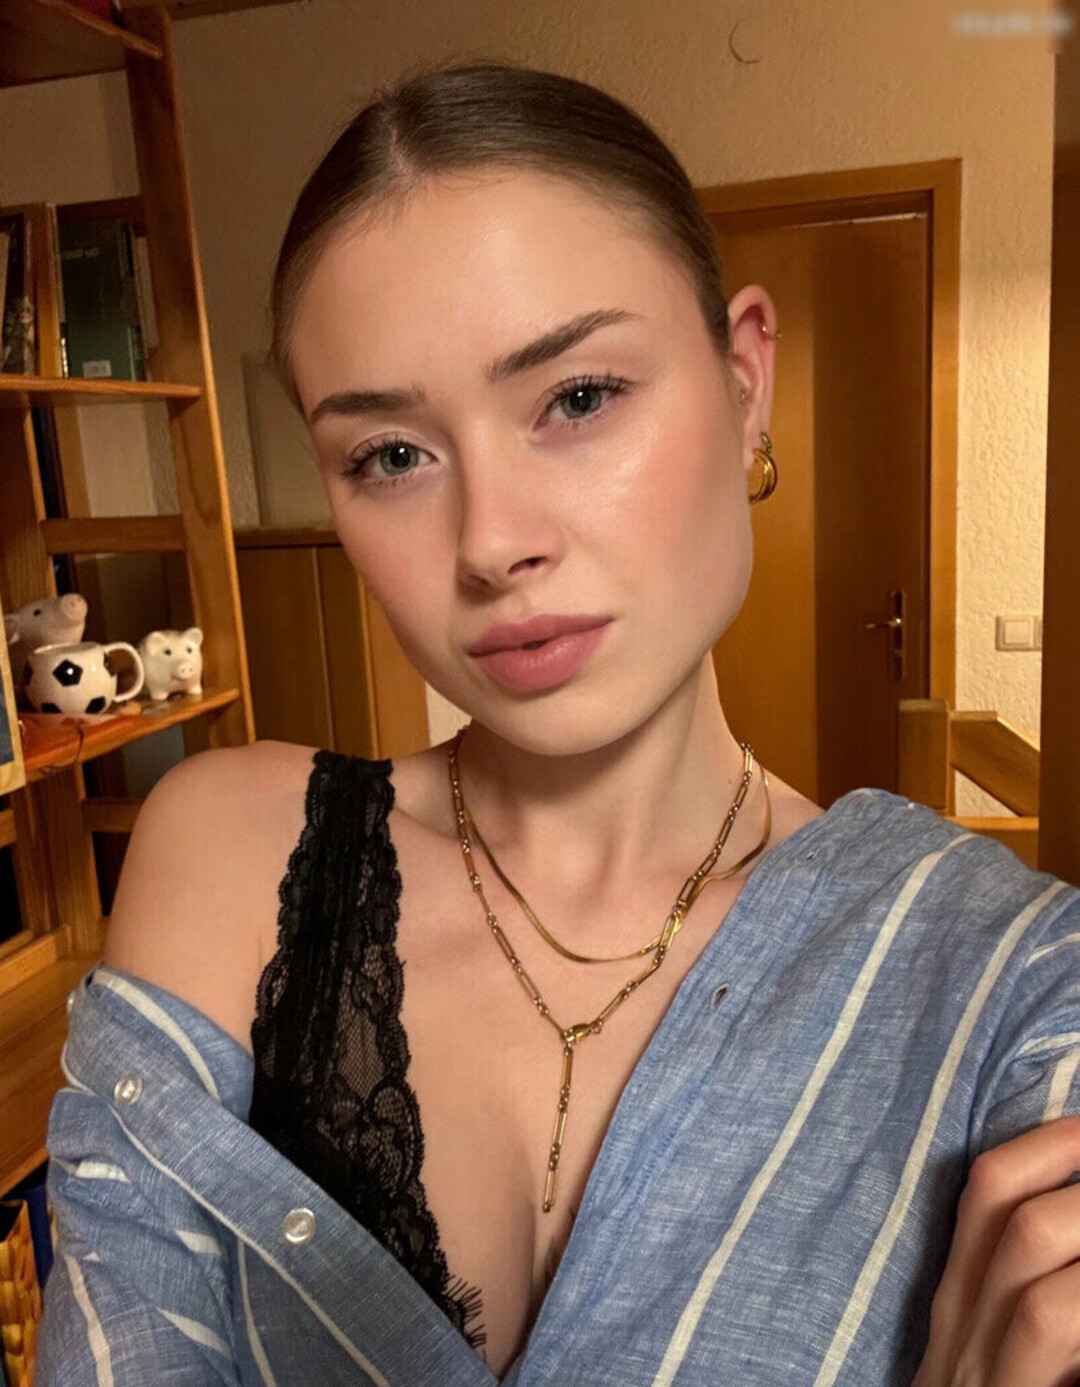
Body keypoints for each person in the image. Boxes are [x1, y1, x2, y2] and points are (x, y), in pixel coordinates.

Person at [36, 58, 1080, 1387]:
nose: (492, 542)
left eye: (578, 398)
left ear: (745, 382)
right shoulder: (231, 858)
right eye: (391, 456)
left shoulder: (1007, 981)